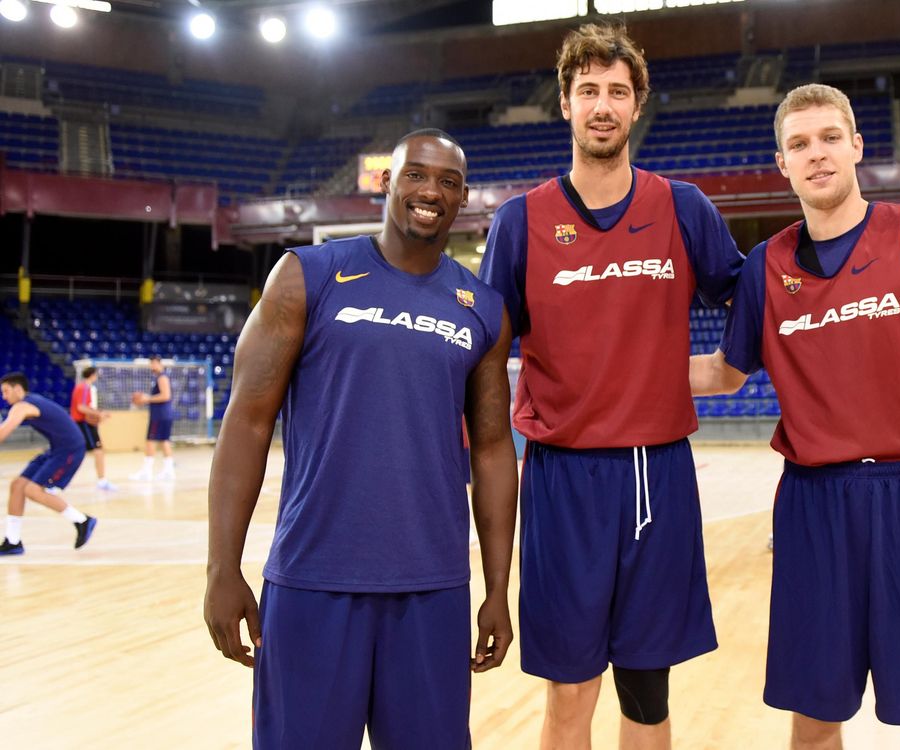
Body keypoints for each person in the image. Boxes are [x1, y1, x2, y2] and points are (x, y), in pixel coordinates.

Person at [689, 84, 900, 749]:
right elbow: (725, 373)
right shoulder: (766, 266)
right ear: (782, 163)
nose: (816, 154)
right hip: (813, 504)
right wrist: (612, 374)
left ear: (856, 146)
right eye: (799, 144)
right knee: (815, 718)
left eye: (828, 138)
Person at [203, 129, 518, 749]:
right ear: (387, 182)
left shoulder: (482, 308)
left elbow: (491, 449)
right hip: (312, 579)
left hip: (432, 587)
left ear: (463, 199)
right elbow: (247, 421)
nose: (431, 191)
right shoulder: (306, 276)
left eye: (449, 182)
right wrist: (222, 567)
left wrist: (497, 589)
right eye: (416, 174)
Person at [480, 23, 743, 750]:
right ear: (565, 103)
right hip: (561, 477)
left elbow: (752, 296)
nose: (603, 105)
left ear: (637, 105)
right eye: (588, 90)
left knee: (647, 689)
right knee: (569, 688)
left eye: (618, 92)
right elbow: (483, 357)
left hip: (656, 472)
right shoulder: (520, 222)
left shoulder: (683, 207)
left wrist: (725, 370)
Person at [0, 372, 98, 556]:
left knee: (32, 490)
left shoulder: (22, 406)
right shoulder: (31, 401)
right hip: (57, 448)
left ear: (18, 389)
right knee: (18, 485)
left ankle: (82, 520)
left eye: (6, 391)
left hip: (70, 449)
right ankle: (13, 541)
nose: (4, 397)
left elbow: (3, 433)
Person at [70, 366, 117, 491]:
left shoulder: (85, 387)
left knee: (90, 451)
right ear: (92, 375)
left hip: (83, 423)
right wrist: (99, 414)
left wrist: (98, 412)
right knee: (97, 451)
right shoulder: (84, 387)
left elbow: (86, 407)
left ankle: (102, 480)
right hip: (83, 423)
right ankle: (102, 481)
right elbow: (81, 407)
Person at [130, 354, 175, 481]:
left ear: (160, 364)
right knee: (164, 441)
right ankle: (169, 471)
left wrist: (146, 398)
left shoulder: (162, 377)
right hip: (165, 414)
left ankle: (146, 472)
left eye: (154, 363)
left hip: (160, 415)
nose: (152, 366)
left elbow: (166, 396)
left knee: (150, 440)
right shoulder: (161, 377)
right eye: (151, 364)